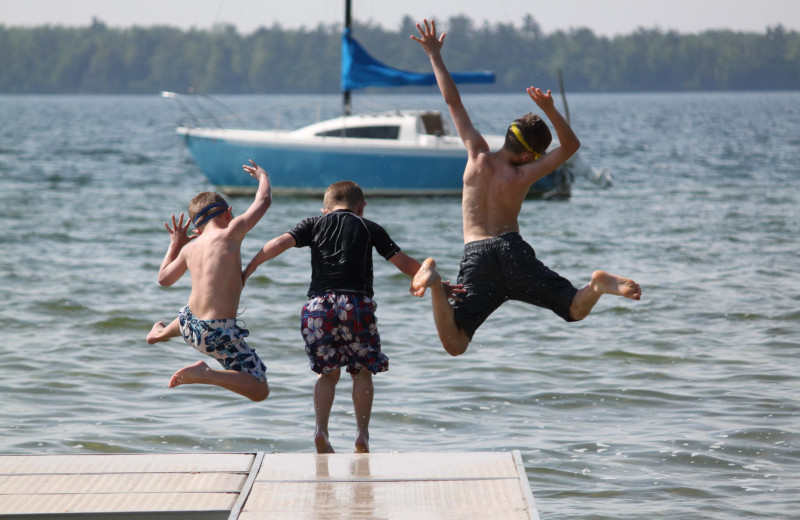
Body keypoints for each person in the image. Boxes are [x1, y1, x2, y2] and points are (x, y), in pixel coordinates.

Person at [408, 19, 642, 356]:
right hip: (512, 251)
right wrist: (550, 108)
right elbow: (571, 146)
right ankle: (597, 284)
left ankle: (432, 280)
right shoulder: (523, 175)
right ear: (531, 154)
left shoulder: (477, 154)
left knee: (456, 343)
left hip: (478, 257)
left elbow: (453, 102)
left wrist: (434, 54)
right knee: (575, 308)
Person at [242, 180, 460, 453]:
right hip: (355, 303)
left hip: (318, 307)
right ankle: (362, 435)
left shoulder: (313, 223)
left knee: (327, 373)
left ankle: (321, 431)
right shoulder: (369, 227)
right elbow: (403, 262)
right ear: (362, 207)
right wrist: (436, 284)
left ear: (325, 209)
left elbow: (277, 244)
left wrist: (249, 268)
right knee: (362, 372)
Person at [145, 160, 272, 402]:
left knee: (191, 315)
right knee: (259, 388)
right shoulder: (231, 232)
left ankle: (157, 334)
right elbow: (263, 201)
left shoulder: (189, 249)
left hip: (189, 326)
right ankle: (206, 374)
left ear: (198, 229)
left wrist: (174, 245)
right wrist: (263, 175)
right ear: (228, 213)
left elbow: (163, 279)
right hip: (216, 331)